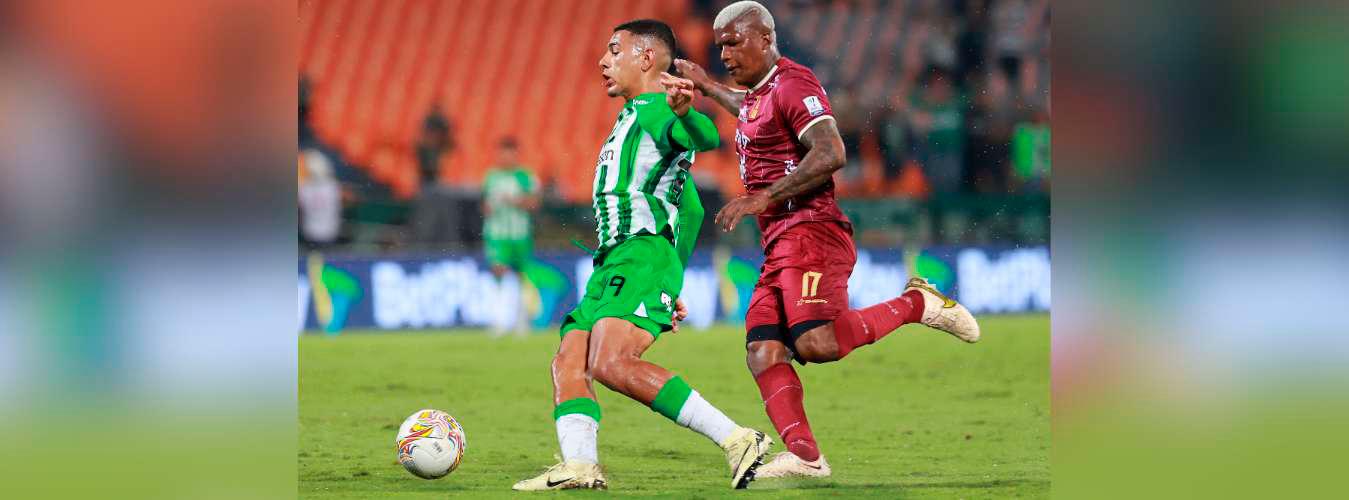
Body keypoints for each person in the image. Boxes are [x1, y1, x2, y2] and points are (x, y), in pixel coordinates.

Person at [673, 0, 982, 479]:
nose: (725, 54)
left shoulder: (794, 84)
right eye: (720, 47)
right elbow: (750, 108)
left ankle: (917, 304)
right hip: (778, 241)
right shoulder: (760, 91)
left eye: (734, 43)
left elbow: (831, 150)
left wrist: (763, 196)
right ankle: (806, 456)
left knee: (817, 343)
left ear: (766, 38)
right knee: (763, 350)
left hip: (810, 230)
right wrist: (708, 86)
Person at [512, 19, 771, 491]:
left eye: (615, 50)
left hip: (639, 254)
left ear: (647, 58)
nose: (603, 61)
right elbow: (690, 210)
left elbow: (706, 137)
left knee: (610, 362)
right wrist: (672, 281)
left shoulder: (655, 108)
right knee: (569, 359)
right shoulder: (634, 116)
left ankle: (737, 438)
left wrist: (686, 114)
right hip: (618, 261)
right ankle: (580, 466)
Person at [481, 137, 539, 335]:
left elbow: (534, 204)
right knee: (498, 271)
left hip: (520, 234)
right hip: (497, 234)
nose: (505, 157)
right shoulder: (491, 177)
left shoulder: (525, 177)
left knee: (522, 275)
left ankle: (522, 320)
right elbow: (484, 205)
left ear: (516, 154)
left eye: (509, 153)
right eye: (502, 153)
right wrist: (489, 208)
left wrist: (513, 200)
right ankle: (498, 320)